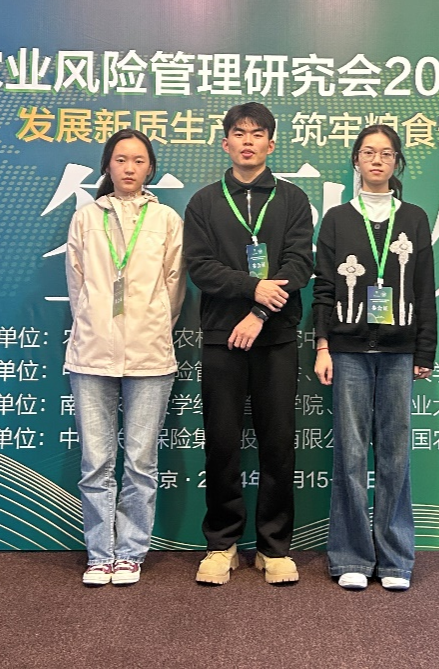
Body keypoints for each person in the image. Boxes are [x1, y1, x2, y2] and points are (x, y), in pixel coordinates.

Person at [183, 102, 314, 585]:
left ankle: (274, 548)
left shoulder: (293, 199)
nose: (248, 141)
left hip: (275, 337)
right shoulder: (204, 202)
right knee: (221, 444)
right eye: (239, 133)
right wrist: (252, 288)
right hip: (222, 337)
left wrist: (260, 311)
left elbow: (300, 264)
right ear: (225, 143)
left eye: (257, 134)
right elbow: (201, 268)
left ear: (271, 144)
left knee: (278, 444)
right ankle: (222, 545)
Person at [313, 124, 436, 592]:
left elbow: (424, 289)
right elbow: (324, 288)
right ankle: (350, 556)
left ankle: (395, 560)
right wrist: (322, 345)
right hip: (348, 350)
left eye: (386, 153)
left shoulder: (415, 218)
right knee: (349, 453)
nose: (377, 160)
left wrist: (425, 350)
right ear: (356, 161)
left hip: (399, 351)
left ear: (396, 161)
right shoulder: (338, 219)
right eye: (368, 152)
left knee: (395, 454)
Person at [64, 128, 185, 587]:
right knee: (95, 463)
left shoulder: (167, 219)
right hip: (91, 354)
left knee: (140, 462)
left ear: (150, 168)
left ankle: (131, 553)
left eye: (138, 160)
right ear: (107, 166)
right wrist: (96, 320)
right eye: (120, 159)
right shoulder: (85, 218)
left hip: (149, 355)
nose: (129, 168)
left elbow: (174, 286)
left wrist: (150, 324)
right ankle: (100, 554)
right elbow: (77, 284)